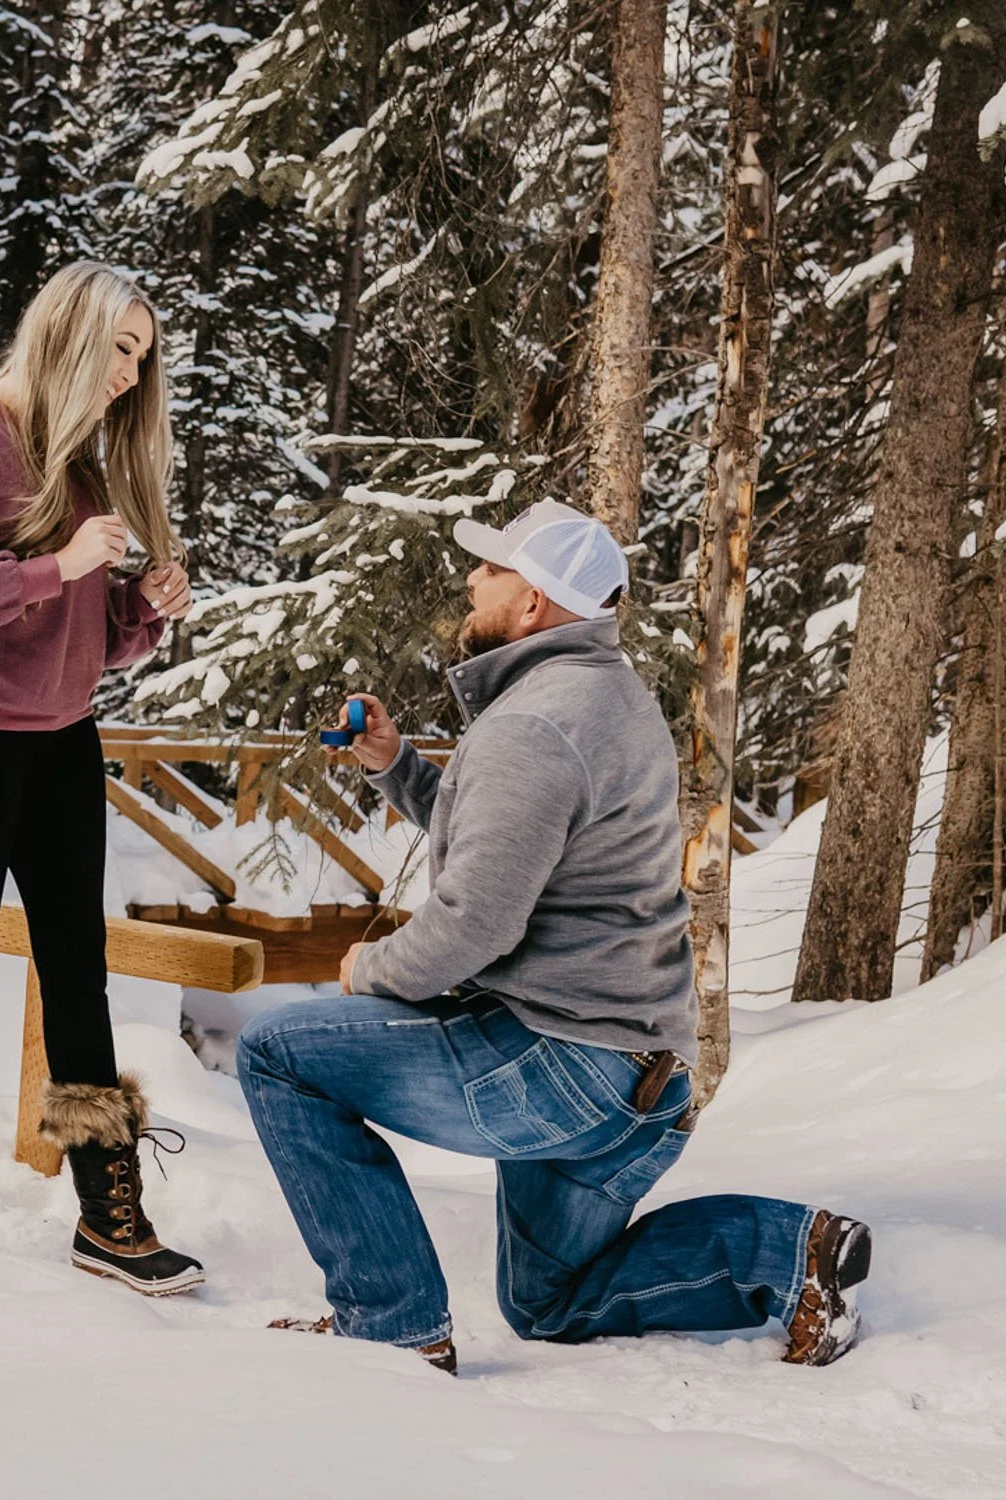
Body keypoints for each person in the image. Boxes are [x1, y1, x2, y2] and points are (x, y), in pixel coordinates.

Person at [236, 499, 871, 1371]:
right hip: (637, 1076)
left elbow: (477, 921)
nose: (471, 580)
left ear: (532, 605)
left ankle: (391, 1325)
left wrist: (368, 970)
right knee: (548, 1301)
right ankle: (788, 1251)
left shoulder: (534, 723)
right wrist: (398, 767)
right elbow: (524, 851)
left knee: (275, 1052)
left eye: (490, 570)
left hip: (559, 1065)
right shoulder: (606, 697)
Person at [0, 261, 204, 1297]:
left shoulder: (88, 471)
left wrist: (144, 609)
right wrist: (56, 565)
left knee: (77, 963)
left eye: (141, 357)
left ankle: (109, 1212)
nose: (126, 372)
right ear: (70, 331)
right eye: (118, 345)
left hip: (60, 740)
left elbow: (82, 650)